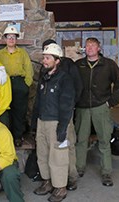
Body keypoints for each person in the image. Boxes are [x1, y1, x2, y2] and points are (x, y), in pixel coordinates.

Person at [75, 37, 119, 186]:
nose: (89, 48)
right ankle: (79, 167)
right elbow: (71, 84)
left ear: (99, 48)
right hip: (82, 108)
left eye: (93, 45)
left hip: (101, 106)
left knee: (104, 140)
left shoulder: (108, 64)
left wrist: (111, 102)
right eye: (87, 46)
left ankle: (106, 172)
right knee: (81, 139)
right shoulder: (78, 65)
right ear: (84, 48)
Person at [32, 43, 75, 202]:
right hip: (42, 121)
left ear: (57, 60)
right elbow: (37, 102)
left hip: (56, 122)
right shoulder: (44, 77)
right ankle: (47, 182)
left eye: (48, 58)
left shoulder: (65, 79)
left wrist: (63, 128)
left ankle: (60, 188)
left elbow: (67, 105)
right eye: (44, 57)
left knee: (58, 156)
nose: (44, 60)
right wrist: (34, 123)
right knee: (42, 154)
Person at [41, 38, 83, 191]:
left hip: (64, 113)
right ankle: (53, 180)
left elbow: (77, 87)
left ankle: (71, 177)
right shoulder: (45, 69)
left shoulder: (68, 66)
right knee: (52, 149)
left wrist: (70, 106)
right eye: (44, 51)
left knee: (67, 145)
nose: (45, 56)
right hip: (49, 115)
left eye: (49, 52)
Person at [0, 25, 34, 147]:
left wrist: (26, 85)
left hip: (19, 83)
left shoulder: (22, 53)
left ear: (16, 39)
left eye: (13, 37)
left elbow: (29, 70)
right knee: (5, 110)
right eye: (9, 37)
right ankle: (6, 137)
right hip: (4, 83)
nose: (11, 39)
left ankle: (18, 136)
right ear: (5, 39)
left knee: (19, 112)